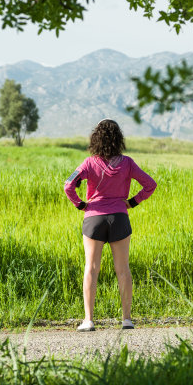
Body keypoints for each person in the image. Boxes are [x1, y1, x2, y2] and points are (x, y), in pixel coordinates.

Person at [64, 119, 157, 332]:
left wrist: (80, 204)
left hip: (94, 219)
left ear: (96, 138)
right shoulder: (128, 163)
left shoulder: (88, 163)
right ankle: (126, 320)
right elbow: (151, 185)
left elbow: (68, 185)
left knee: (92, 268)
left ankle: (88, 320)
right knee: (123, 269)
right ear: (118, 139)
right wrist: (132, 202)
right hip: (119, 218)